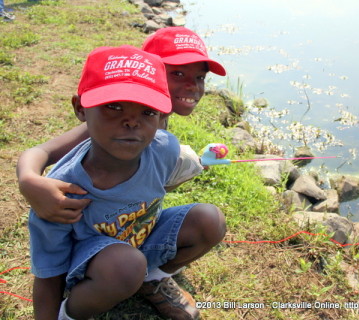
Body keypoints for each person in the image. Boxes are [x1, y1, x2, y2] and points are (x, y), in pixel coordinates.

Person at [27, 45, 226, 320]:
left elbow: (158, 186)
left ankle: (152, 279)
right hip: (94, 267)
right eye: (114, 106)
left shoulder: (166, 149)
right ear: (80, 108)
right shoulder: (62, 192)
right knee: (125, 265)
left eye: (147, 112)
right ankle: (70, 314)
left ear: (163, 116)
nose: (131, 122)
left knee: (209, 220)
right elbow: (49, 275)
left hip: (140, 238)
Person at [17, 26, 226, 224]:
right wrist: (29, 181)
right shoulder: (115, 123)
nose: (192, 86)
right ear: (149, 71)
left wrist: (191, 167)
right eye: (178, 74)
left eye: (200, 77)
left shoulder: (157, 118)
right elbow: (42, 150)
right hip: (91, 223)